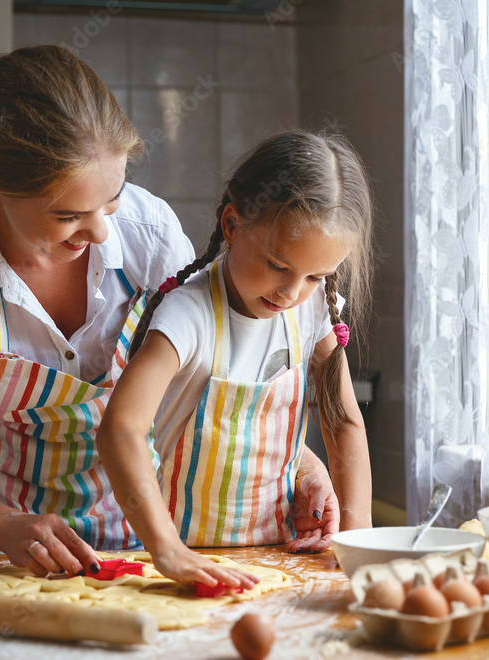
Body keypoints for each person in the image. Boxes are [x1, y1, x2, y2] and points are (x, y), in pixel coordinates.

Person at [0, 45, 339, 579]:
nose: (101, 233)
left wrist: (301, 465)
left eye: (113, 199)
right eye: (68, 214)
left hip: (145, 544)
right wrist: (4, 526)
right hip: (0, 556)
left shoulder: (150, 234)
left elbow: (208, 387)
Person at [96, 129, 375, 587]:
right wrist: (167, 550)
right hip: (178, 561)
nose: (291, 293)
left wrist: (356, 531)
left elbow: (342, 420)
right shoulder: (189, 314)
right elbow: (120, 428)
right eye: (279, 266)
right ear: (232, 224)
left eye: (315, 276)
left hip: (278, 557)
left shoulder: (311, 313)